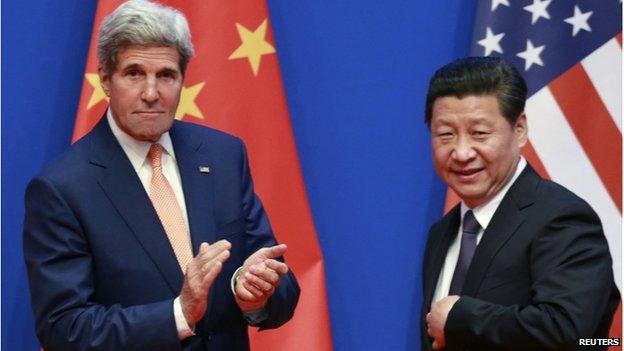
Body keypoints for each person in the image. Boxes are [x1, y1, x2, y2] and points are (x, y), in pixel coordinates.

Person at [22, 1, 299, 350]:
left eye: (166, 75)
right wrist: (178, 313)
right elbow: (64, 329)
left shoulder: (223, 156)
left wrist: (253, 296)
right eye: (134, 73)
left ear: (182, 78)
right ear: (106, 79)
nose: (151, 93)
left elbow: (280, 284)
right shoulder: (61, 189)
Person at [420, 56, 619, 351]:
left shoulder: (561, 217)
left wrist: (461, 319)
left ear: (520, 129)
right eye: (446, 134)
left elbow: (576, 336)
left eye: (479, 133)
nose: (461, 152)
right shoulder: (443, 233)